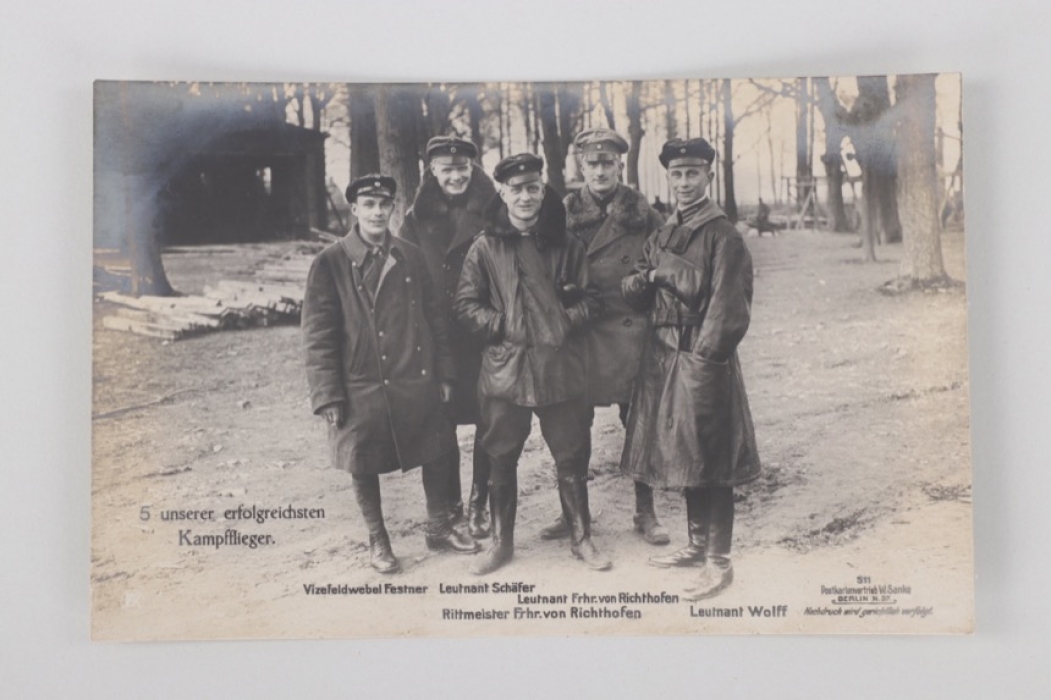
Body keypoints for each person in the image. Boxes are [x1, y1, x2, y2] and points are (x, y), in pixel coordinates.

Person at [303, 174, 478, 575]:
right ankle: (377, 538)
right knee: (361, 459)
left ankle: (438, 526)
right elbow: (318, 337)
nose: (378, 212)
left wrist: (445, 374)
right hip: (361, 382)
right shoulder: (330, 263)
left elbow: (434, 319)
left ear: (393, 208)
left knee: (436, 446)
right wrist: (327, 395)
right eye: (369, 204)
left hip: (414, 375)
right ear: (355, 210)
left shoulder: (411, 255)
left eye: (384, 204)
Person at [455, 153, 611, 575]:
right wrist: (503, 324)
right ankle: (501, 544)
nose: (525, 197)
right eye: (516, 189)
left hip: (561, 369)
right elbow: (466, 305)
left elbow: (594, 300)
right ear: (502, 194)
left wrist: (562, 321)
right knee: (500, 457)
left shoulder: (567, 244)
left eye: (532, 188)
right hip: (506, 372)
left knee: (571, 455)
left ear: (543, 190)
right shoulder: (484, 247)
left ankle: (581, 538)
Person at [620, 138, 761, 600]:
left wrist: (704, 359)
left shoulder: (724, 235)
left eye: (692, 174)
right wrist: (647, 279)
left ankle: (719, 561)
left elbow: (729, 310)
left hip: (701, 357)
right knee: (684, 454)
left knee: (712, 459)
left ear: (708, 177)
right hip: (661, 356)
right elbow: (636, 287)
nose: (683, 183)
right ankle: (697, 546)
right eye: (677, 174)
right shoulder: (662, 233)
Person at [536, 128, 669, 546]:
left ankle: (645, 511)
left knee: (639, 423)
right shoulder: (561, 210)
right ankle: (572, 512)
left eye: (607, 162)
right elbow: (545, 264)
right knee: (573, 426)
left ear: (619, 166)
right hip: (581, 331)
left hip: (630, 330)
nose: (599, 170)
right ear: (580, 165)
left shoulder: (643, 213)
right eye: (592, 163)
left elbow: (664, 265)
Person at [399, 135, 498, 540]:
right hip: (437, 339)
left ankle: (479, 503)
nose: (455, 176)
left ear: (472, 168)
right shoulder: (415, 217)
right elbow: (406, 274)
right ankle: (447, 508)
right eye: (447, 169)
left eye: (462, 169)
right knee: (438, 427)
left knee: (489, 423)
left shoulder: (495, 209)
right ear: (432, 171)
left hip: (484, 336)